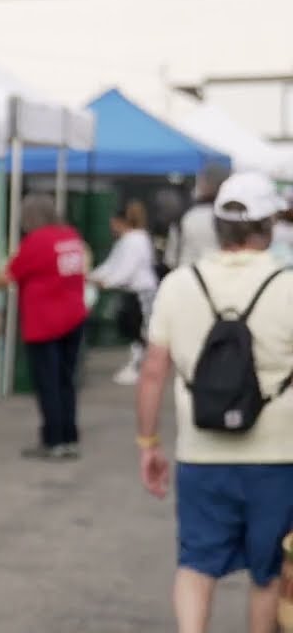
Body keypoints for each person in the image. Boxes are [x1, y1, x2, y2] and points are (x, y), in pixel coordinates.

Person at [136, 171, 293, 633]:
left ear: (220, 226)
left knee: (197, 564)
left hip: (202, 453)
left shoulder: (179, 284)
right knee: (267, 573)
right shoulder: (288, 286)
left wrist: (149, 443)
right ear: (268, 227)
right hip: (279, 457)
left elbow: (152, 372)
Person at [0, 193, 88, 460]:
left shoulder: (37, 241)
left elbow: (9, 275)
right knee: (66, 381)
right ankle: (69, 437)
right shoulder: (70, 237)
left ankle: (53, 441)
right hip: (74, 317)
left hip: (45, 322)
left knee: (48, 383)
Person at [90, 200, 160, 385]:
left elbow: (125, 269)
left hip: (141, 292)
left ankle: (140, 367)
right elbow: (112, 265)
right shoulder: (129, 240)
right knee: (135, 330)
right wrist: (93, 276)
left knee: (140, 331)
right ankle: (139, 365)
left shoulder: (135, 240)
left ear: (120, 221)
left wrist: (107, 281)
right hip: (133, 291)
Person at [164, 163, 227, 271]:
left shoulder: (184, 216)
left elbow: (171, 259)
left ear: (202, 183)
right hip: (223, 279)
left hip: (187, 279)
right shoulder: (232, 217)